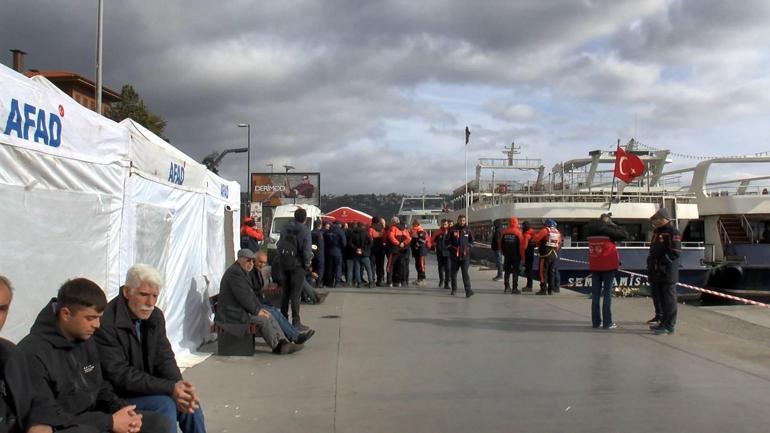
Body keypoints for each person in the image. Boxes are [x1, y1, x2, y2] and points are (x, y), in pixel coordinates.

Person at [18, 278, 168, 433]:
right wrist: (109, 422)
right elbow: (48, 416)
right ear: (66, 314)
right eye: (90, 318)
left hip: (95, 420)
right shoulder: (32, 353)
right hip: (67, 426)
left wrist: (122, 410)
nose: (97, 325)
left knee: (156, 423)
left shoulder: (85, 338)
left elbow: (100, 386)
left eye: (99, 317)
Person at [94, 264, 207, 433]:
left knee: (191, 404)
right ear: (126, 292)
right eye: (144, 295)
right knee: (165, 405)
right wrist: (169, 388)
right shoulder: (106, 322)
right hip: (116, 396)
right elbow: (120, 375)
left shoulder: (155, 316)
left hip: (145, 388)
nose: (150, 303)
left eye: (155, 296)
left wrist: (179, 385)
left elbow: (165, 358)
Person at [0, 276, 77, 433]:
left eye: (1, 309)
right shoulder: (32, 348)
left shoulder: (10, 354)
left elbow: (34, 400)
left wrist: (38, 422)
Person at [215, 249, 299, 354]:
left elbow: (250, 295)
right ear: (240, 260)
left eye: (252, 261)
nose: (251, 263)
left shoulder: (242, 271)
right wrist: (256, 311)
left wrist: (259, 308)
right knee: (263, 320)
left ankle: (283, 342)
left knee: (269, 315)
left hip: (238, 310)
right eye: (248, 261)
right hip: (231, 314)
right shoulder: (235, 274)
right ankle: (277, 346)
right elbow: (244, 297)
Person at [252, 253, 316, 343]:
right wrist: (258, 308)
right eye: (260, 262)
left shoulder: (257, 273)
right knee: (273, 312)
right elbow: (249, 296)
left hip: (257, 303)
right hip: (253, 306)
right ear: (254, 261)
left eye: (264, 263)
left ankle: (295, 335)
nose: (262, 265)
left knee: (275, 311)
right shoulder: (250, 274)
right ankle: (295, 337)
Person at [584, 213, 628, 329]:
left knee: (595, 296)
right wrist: (613, 225)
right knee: (607, 294)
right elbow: (624, 235)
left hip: (594, 265)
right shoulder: (609, 232)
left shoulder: (590, 231)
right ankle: (607, 322)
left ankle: (596, 322)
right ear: (606, 222)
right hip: (608, 266)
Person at [277, 207, 313, 330]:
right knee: (295, 294)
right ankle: (296, 322)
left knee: (285, 292)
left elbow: (279, 244)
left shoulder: (285, 228)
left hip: (284, 263)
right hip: (297, 265)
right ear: (304, 218)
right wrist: (308, 265)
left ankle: (282, 319)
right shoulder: (305, 230)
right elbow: (306, 250)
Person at [647, 208, 681, 335]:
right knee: (661, 298)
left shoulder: (672, 232)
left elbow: (675, 252)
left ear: (663, 219)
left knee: (669, 299)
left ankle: (669, 325)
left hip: (667, 271)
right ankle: (662, 322)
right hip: (656, 270)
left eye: (656, 219)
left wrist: (663, 262)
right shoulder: (657, 232)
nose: (654, 222)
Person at [447, 214, 475, 298]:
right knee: (454, 273)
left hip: (465, 256)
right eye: (461, 220)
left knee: (465, 272)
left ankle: (468, 291)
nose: (462, 222)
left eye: (463, 220)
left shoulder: (468, 229)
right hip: (455, 255)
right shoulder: (452, 229)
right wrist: (451, 248)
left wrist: (468, 247)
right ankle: (454, 289)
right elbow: (447, 240)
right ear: (458, 220)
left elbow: (472, 241)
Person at [532, 219, 561, 295]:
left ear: (546, 224)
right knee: (551, 272)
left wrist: (533, 234)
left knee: (543, 272)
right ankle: (550, 290)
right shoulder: (557, 232)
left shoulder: (545, 230)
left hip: (545, 255)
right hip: (554, 254)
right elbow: (558, 244)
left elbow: (536, 239)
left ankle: (543, 289)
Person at [499, 217, 525, 294]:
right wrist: (522, 257)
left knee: (507, 271)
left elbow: (500, 244)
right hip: (516, 256)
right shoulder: (518, 233)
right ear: (516, 223)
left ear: (509, 223)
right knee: (515, 272)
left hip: (507, 255)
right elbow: (521, 246)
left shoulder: (504, 232)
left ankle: (507, 287)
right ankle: (514, 288)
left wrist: (503, 252)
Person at [431, 219, 451, 289]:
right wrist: (436, 245)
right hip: (440, 252)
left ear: (447, 224)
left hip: (448, 252)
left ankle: (447, 282)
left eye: (445, 224)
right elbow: (432, 241)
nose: (444, 225)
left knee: (448, 267)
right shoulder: (437, 232)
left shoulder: (450, 232)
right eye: (443, 224)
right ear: (441, 224)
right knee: (440, 267)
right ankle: (441, 280)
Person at [409, 219, 430, 286]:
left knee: (421, 265)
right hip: (416, 251)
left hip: (420, 250)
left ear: (417, 224)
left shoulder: (420, 230)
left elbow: (422, 239)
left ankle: (422, 279)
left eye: (414, 223)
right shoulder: (413, 230)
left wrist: (416, 246)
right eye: (413, 223)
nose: (413, 224)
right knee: (417, 264)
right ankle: (419, 278)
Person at [369, 217, 387, 286]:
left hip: (373, 250)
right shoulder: (382, 229)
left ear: (372, 222)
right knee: (380, 265)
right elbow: (385, 238)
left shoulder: (371, 229)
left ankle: (372, 280)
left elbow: (369, 239)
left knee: (372, 266)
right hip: (381, 249)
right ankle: (380, 280)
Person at [521, 222, 536, 291]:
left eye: (522, 226)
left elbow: (524, 246)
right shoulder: (533, 233)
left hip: (527, 253)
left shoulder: (526, 235)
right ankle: (529, 285)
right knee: (530, 269)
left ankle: (529, 286)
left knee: (528, 270)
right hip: (532, 252)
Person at [311, 219, 325, 288]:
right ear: (320, 225)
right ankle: (319, 283)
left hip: (313, 253)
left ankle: (313, 281)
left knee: (314, 267)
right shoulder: (319, 233)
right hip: (319, 253)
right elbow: (320, 244)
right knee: (320, 268)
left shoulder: (311, 232)